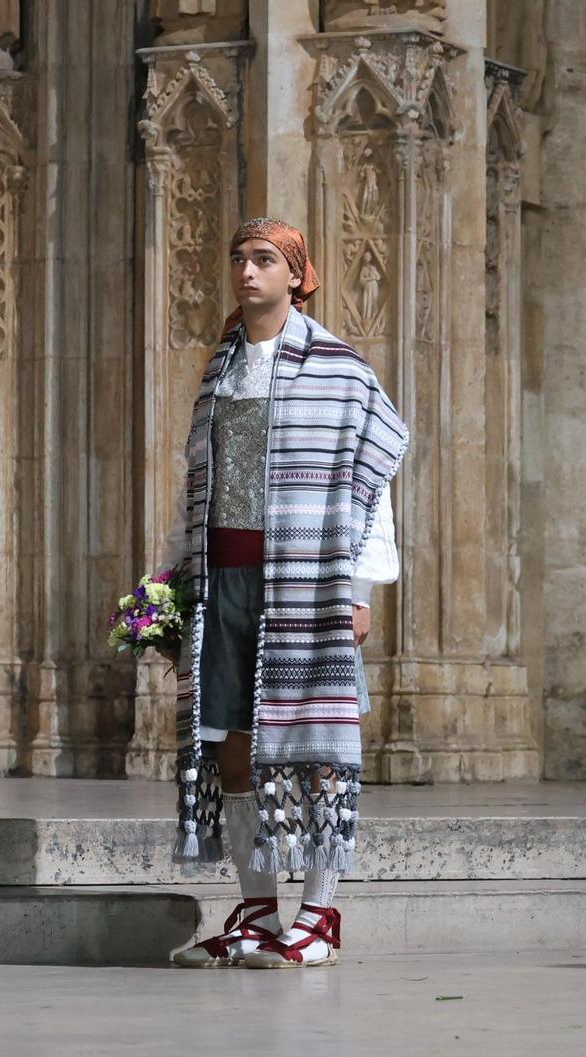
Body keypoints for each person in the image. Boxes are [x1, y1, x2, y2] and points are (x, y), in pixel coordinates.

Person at [162, 218, 408, 969]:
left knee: (316, 750)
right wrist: (171, 580)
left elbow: (370, 483)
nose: (246, 271)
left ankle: (320, 916)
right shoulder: (220, 369)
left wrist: (362, 585)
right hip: (226, 581)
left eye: (263, 259)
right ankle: (260, 914)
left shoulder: (340, 369)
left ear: (297, 274)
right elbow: (194, 487)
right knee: (233, 746)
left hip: (306, 582)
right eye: (237, 258)